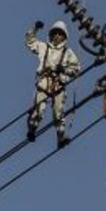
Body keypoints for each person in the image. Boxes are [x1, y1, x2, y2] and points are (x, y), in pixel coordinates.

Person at [25, 19, 81, 148]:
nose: (57, 36)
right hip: (44, 81)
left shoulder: (68, 53)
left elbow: (76, 68)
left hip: (59, 83)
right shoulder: (43, 47)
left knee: (59, 113)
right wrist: (35, 28)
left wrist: (65, 70)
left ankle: (61, 138)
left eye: (60, 34)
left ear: (64, 36)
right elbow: (29, 41)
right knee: (39, 109)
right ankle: (32, 129)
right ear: (51, 35)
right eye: (55, 33)